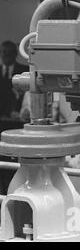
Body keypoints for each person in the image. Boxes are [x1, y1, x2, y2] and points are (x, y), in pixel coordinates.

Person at [0, 40, 29, 195]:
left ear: (16, 54)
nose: (6, 56)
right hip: (1, 123)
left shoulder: (24, 71)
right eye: (4, 53)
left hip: (17, 124)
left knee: (13, 162)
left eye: (10, 53)